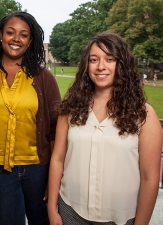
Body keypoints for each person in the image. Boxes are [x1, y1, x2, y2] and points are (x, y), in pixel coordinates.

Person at [48, 32, 162, 225]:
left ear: (122, 64)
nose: (101, 66)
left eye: (110, 59)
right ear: (87, 66)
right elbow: (58, 159)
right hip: (70, 210)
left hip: (121, 217)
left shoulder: (144, 115)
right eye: (94, 60)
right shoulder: (70, 109)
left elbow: (150, 178)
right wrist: (52, 208)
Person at [0, 11, 61, 225]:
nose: (16, 39)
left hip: (39, 169)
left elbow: (55, 130)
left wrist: (53, 179)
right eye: (10, 32)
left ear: (30, 41)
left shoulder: (44, 78)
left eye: (23, 35)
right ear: (0, 35)